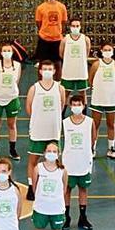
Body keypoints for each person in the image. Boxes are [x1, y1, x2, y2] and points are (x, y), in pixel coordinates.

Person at [26, 60, 66, 196]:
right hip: (38, 131)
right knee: (33, 160)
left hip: (54, 131)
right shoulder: (34, 88)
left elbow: (62, 105)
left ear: (54, 71)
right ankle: (31, 187)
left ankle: (56, 184)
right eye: (45, 69)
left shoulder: (60, 88)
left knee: (55, 160)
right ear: (40, 71)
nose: (48, 71)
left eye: (50, 69)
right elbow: (28, 107)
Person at [31, 141, 68, 230]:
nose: (51, 153)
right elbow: (35, 188)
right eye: (49, 151)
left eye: (54, 151)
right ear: (44, 153)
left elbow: (64, 190)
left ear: (58, 154)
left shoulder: (62, 171)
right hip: (41, 208)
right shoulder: (38, 168)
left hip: (57, 209)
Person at [62, 94, 96, 230]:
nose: (76, 107)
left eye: (79, 104)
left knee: (83, 189)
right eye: (74, 104)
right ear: (70, 106)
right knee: (67, 189)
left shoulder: (89, 121)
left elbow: (93, 138)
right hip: (69, 162)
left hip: (84, 160)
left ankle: (83, 217)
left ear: (83, 105)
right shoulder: (65, 122)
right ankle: (67, 217)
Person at [89, 42, 115, 160]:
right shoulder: (96, 65)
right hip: (98, 99)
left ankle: (111, 148)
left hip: (112, 99)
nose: (108, 51)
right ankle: (92, 148)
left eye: (110, 49)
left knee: (111, 124)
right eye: (105, 49)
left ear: (113, 51)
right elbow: (90, 80)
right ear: (101, 51)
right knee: (95, 125)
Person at [0, 43, 21, 160]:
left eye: (9, 50)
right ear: (1, 53)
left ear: (12, 52)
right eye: (4, 50)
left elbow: (16, 81)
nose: (7, 52)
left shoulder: (17, 65)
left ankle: (12, 150)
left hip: (12, 98)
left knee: (12, 125)